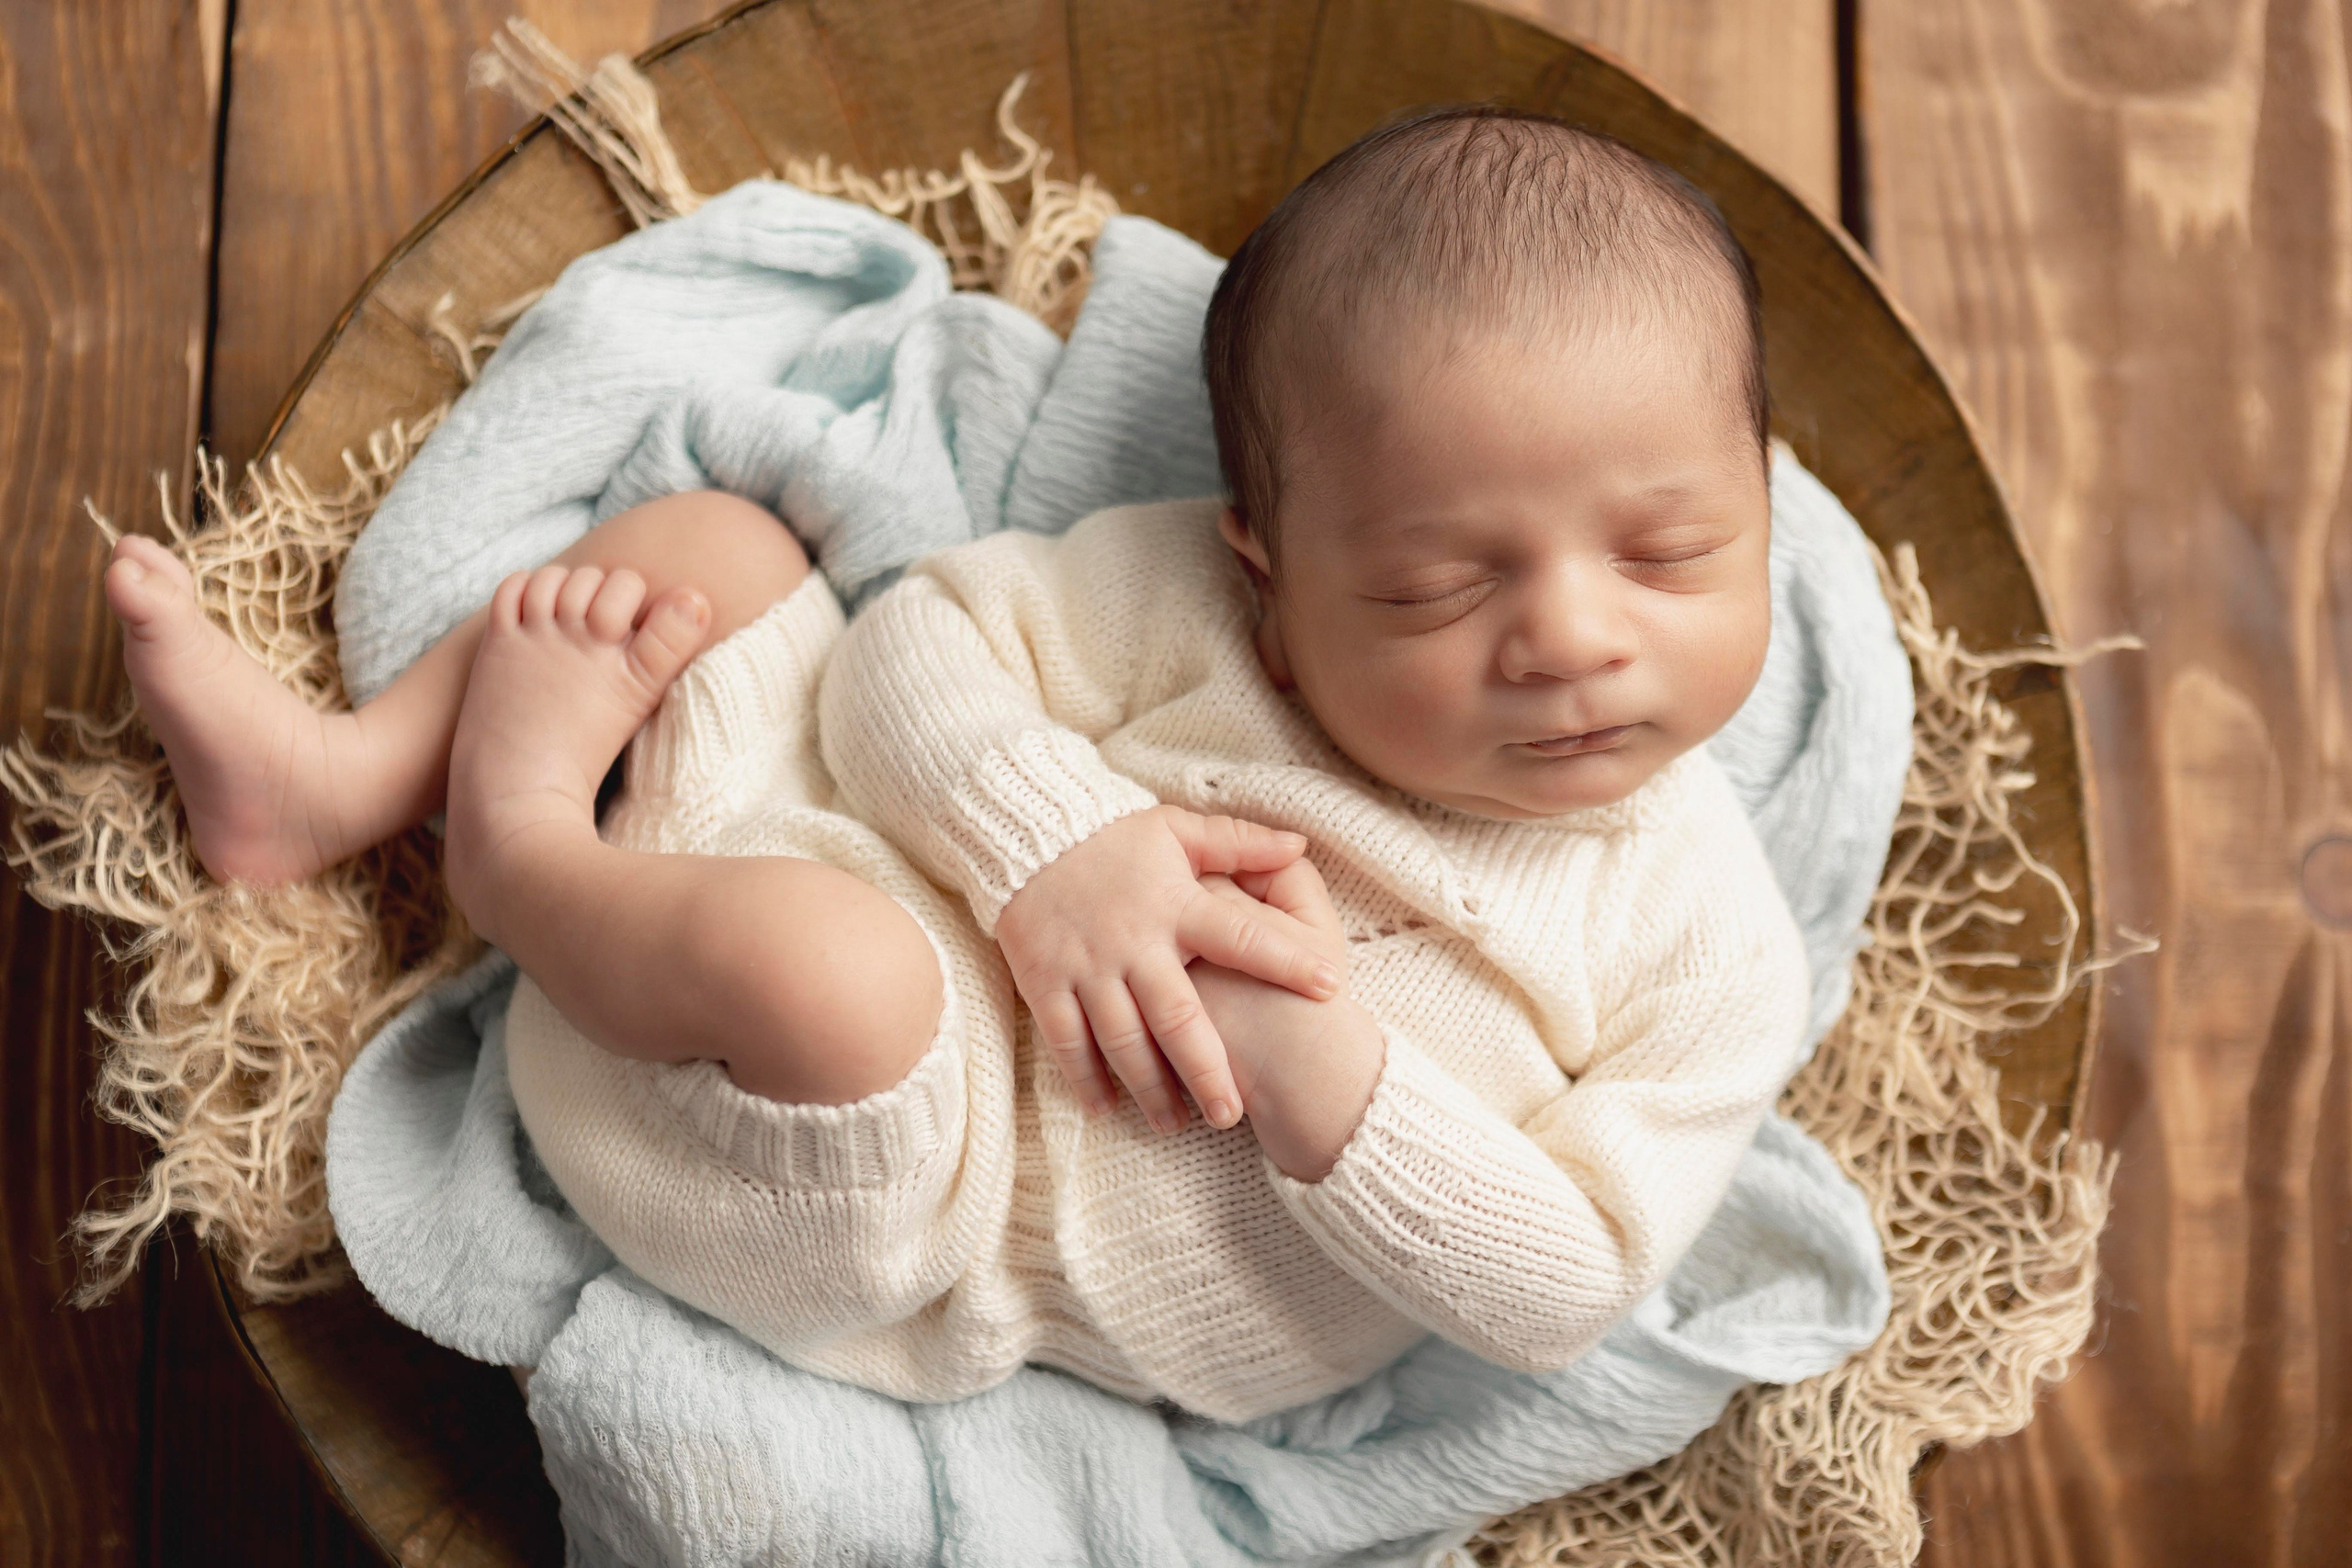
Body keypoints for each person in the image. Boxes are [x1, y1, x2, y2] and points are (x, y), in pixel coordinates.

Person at [102, 107, 1808, 1422]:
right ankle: (341, 780)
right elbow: (915, 645)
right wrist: (1050, 846)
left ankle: (516, 847)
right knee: (716, 548)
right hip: (822, 865)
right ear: (1271, 567)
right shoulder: (1188, 609)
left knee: (834, 968)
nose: (1577, 639)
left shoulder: (1705, 940)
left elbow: (1570, 1283)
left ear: (1768, 501)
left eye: (1670, 556)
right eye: (1440, 586)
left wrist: (1327, 1078)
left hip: (927, 1219)